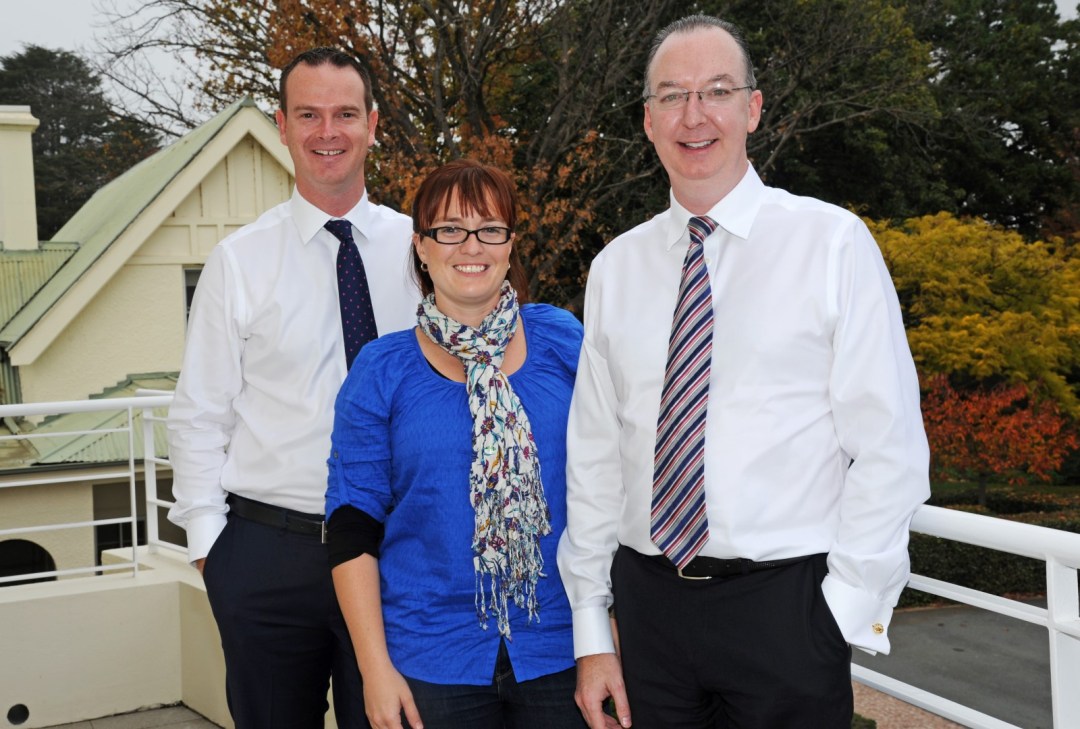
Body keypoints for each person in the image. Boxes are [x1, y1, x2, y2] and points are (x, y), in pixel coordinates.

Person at [556, 14, 930, 729]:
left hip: (785, 613)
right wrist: (592, 628)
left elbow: (889, 445)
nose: (694, 115)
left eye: (717, 91)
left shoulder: (832, 244)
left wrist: (841, 612)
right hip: (649, 613)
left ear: (752, 108)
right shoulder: (615, 269)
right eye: (671, 95)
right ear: (648, 119)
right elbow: (596, 457)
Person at [167, 47, 419, 728]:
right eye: (307, 113)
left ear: (373, 124)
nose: (326, 132)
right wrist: (211, 547)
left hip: (397, 552)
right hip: (268, 556)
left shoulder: (420, 250)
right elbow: (199, 413)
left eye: (343, 113)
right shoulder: (239, 261)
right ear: (281, 124)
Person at [325, 159, 586, 729]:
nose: (472, 245)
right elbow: (350, 524)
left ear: (511, 245)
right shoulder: (380, 370)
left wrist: (609, 633)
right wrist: (374, 669)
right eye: (450, 230)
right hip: (428, 662)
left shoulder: (565, 342)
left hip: (564, 651)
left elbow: (611, 489)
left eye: (491, 228)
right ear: (421, 246)